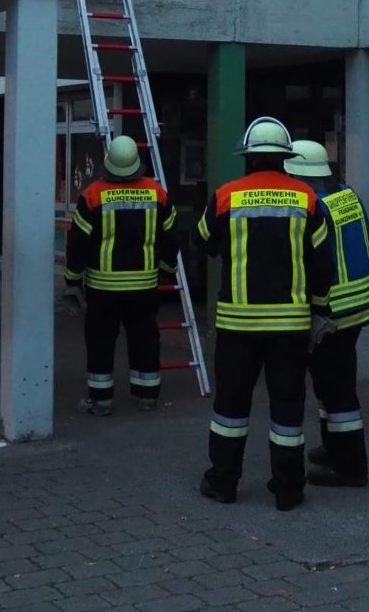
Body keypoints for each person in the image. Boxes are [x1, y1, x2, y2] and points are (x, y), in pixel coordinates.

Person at [194, 117, 333, 511]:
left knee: (230, 409)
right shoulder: (307, 199)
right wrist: (320, 309)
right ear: (285, 158)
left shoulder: (226, 196)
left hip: (237, 326)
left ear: (249, 158)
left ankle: (223, 482)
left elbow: (201, 241)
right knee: (287, 409)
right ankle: (288, 489)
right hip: (290, 327)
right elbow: (323, 264)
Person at [284, 139, 369, 488]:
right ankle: (335, 448)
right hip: (358, 305)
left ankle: (350, 467)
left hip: (332, 313)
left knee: (337, 394)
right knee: (332, 387)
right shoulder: (346, 194)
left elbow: (310, 263)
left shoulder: (312, 207)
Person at [64, 136, 179, 415]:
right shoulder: (157, 193)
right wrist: (166, 273)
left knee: (101, 342)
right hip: (144, 285)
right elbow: (171, 239)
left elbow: (78, 244)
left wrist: (72, 280)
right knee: (144, 339)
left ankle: (101, 400)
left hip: (103, 288)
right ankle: (147, 396)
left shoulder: (93, 195)